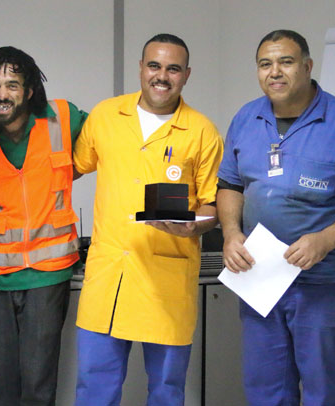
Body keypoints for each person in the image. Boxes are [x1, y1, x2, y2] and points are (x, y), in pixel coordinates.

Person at [217, 30, 335, 406]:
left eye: (285, 62)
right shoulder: (247, 118)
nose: (275, 72)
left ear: (307, 66)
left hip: (324, 285)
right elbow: (230, 185)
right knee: (265, 390)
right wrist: (231, 233)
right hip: (260, 279)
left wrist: (326, 240)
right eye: (265, 64)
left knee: (323, 392)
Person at [72, 33, 223, 406]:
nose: (162, 76)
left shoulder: (202, 131)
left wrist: (196, 224)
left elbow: (212, 204)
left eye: (173, 69)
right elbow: (69, 168)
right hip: (108, 277)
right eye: (154, 65)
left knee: (167, 391)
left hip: (166, 280)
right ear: (141, 68)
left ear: (186, 74)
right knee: (94, 388)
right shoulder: (106, 115)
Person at [0, 46, 88, 406]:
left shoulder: (62, 118)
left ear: (29, 90)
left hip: (47, 275)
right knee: (2, 386)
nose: (1, 94)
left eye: (12, 85)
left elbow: (111, 141)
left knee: (38, 385)